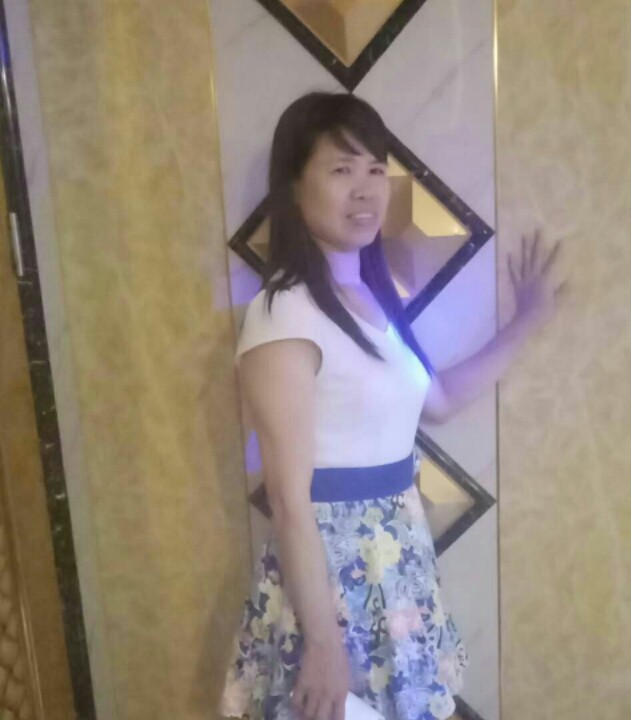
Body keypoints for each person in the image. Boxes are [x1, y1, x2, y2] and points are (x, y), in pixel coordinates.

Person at [220, 92, 565, 720]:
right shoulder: (283, 312)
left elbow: (440, 400)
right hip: (331, 581)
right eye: (340, 169)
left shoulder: (375, 298)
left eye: (376, 169)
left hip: (396, 561)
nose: (365, 189)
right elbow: (290, 498)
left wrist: (527, 322)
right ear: (294, 187)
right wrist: (323, 643)